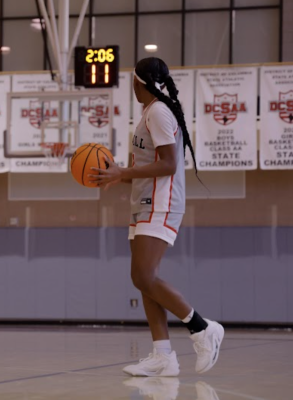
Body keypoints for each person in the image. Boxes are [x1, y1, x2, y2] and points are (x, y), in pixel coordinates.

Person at [89, 57, 224, 377]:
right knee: (143, 280)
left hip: (161, 203)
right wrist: (118, 175)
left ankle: (203, 329)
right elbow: (149, 163)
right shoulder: (151, 112)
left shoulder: (160, 112)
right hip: (144, 202)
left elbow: (169, 164)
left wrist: (122, 172)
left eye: (132, 82)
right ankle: (163, 354)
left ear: (140, 82)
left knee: (145, 277)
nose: (131, 87)